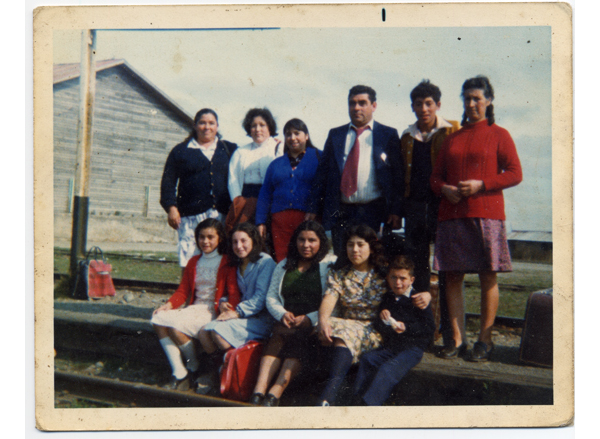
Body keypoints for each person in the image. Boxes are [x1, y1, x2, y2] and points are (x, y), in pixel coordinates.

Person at [430, 75, 523, 362]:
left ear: (489, 101)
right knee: (453, 276)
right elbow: (435, 178)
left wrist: (482, 185)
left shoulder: (500, 134)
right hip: (451, 214)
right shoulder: (452, 137)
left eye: (477, 99)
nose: (471, 104)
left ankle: (485, 339)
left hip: (486, 214)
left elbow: (515, 173)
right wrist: (445, 189)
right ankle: (457, 340)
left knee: (487, 275)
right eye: (467, 98)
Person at [307, 85, 403, 256]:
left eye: (362, 103)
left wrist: (396, 210)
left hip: (375, 211)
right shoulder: (335, 135)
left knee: (374, 259)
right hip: (341, 211)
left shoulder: (388, 135)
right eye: (352, 103)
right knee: (343, 258)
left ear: (374, 106)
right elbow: (322, 175)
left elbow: (398, 177)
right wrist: (313, 208)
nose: (356, 107)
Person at [399, 80, 460, 345]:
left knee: (447, 271)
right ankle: (422, 332)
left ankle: (449, 333)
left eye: (428, 103)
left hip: (443, 207)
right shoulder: (407, 136)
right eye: (418, 104)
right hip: (414, 208)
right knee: (418, 271)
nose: (423, 109)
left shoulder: (452, 131)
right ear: (412, 107)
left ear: (438, 105)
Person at [249, 221, 333, 407]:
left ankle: (275, 393)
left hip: (312, 323)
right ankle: (259, 391)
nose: (306, 245)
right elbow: (271, 297)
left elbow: (333, 300)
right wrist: (282, 314)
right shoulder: (284, 265)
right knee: (278, 335)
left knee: (298, 337)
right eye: (301, 240)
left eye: (312, 240)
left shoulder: (328, 265)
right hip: (286, 321)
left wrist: (310, 318)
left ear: (321, 242)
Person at [151, 219, 240, 391]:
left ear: (220, 238)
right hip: (194, 308)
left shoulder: (227, 261)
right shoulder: (193, 262)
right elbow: (183, 291)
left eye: (210, 237)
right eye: (201, 237)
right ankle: (179, 370)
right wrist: (168, 305)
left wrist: (229, 310)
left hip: (211, 311)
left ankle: (193, 365)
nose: (205, 241)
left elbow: (234, 292)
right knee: (158, 319)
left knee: (176, 327)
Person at [197, 222, 277, 393]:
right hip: (243, 316)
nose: (239, 246)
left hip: (260, 319)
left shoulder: (265, 262)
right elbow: (232, 291)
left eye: (243, 241)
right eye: (235, 242)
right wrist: (225, 302)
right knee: (204, 332)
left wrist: (236, 312)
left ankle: (231, 370)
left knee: (217, 333)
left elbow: (260, 298)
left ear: (253, 241)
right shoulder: (237, 263)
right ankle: (221, 370)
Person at [316, 225, 388, 406]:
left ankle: (327, 398)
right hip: (345, 324)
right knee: (323, 327)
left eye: (360, 245)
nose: (355, 250)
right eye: (350, 245)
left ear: (371, 247)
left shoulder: (383, 275)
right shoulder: (340, 273)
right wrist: (323, 320)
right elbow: (330, 298)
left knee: (342, 337)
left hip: (372, 329)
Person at [352, 256, 435, 406]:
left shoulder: (418, 299)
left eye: (402, 278)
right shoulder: (388, 297)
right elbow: (379, 325)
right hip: (392, 346)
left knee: (387, 370)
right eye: (393, 278)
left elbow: (429, 328)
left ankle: (370, 405)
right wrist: (383, 319)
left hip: (412, 348)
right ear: (388, 278)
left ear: (411, 280)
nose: (397, 283)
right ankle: (356, 399)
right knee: (367, 360)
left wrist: (407, 328)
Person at [160, 109, 237, 269]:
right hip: (190, 216)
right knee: (189, 260)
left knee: (219, 259)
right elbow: (168, 182)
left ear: (217, 126)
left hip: (220, 215)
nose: (206, 127)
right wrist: (171, 208)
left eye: (211, 123)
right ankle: (188, 294)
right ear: (195, 125)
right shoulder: (180, 151)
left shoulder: (229, 149)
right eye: (202, 123)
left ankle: (214, 294)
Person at [255, 119, 321, 262]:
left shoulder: (319, 157)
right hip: (280, 223)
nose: (292, 138)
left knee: (308, 259)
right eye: (288, 134)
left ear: (307, 136)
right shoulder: (275, 164)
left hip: (308, 219)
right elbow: (265, 194)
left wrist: (315, 208)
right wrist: (260, 221)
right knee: (283, 260)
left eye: (297, 133)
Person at [226, 108, 283, 231]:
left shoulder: (278, 147)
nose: (257, 129)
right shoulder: (240, 151)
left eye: (262, 125)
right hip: (245, 200)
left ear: (269, 127)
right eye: (253, 126)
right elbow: (233, 178)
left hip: (269, 198)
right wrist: (237, 202)